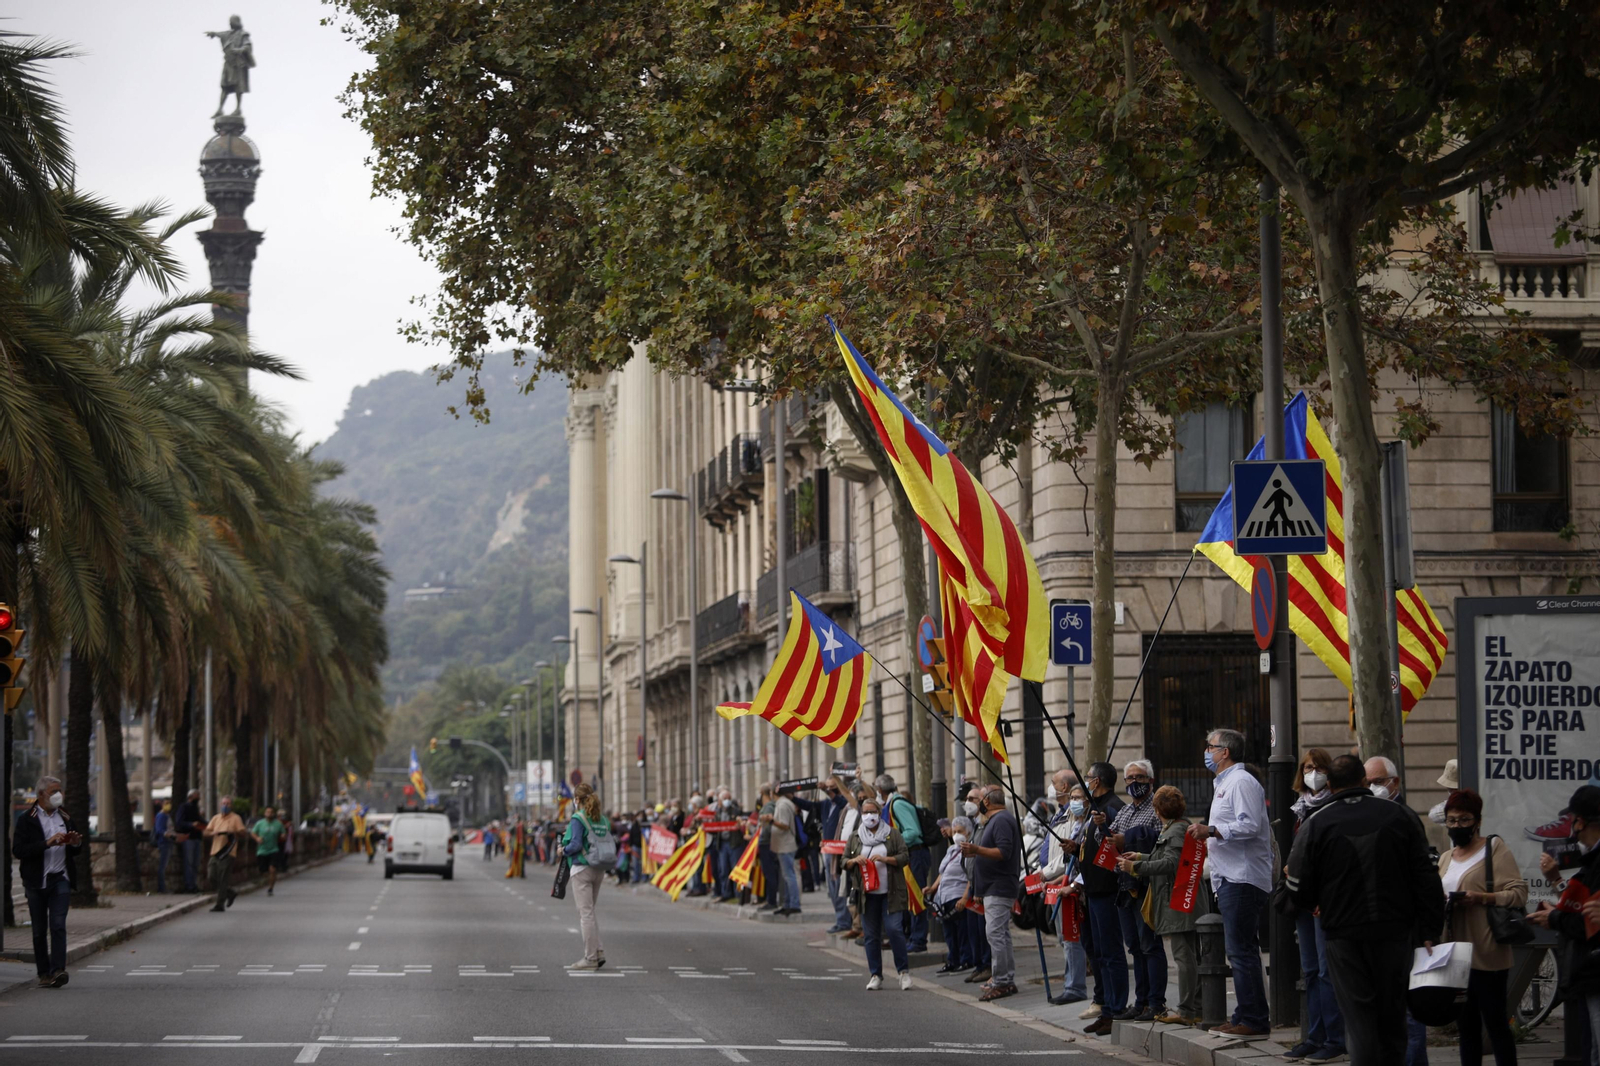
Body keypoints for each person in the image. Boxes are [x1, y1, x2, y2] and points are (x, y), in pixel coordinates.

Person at [1287, 754, 1444, 1066]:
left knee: (1358, 1019)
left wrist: (1319, 903)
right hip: (1395, 933)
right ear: (1363, 781)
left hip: (1343, 936)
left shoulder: (1317, 823)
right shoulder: (1400, 815)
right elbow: (1427, 877)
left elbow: (1297, 886)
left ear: (1329, 786)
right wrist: (1429, 929)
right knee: (1393, 1013)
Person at [1188, 729, 1273, 1037]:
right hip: (1230, 876)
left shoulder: (1241, 782)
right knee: (1241, 950)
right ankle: (1245, 1014)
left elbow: (1249, 824)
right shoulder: (1226, 783)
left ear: (1224, 752)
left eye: (1209, 747)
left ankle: (1253, 1020)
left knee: (1241, 951)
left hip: (1243, 877)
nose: (1206, 752)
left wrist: (1211, 830)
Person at [1436, 788, 1525, 1066]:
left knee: (1496, 1022)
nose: (1457, 826)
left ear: (1477, 821)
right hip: (1455, 952)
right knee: (1466, 1025)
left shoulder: (1494, 848)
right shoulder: (1446, 858)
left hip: (1487, 950)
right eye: (1451, 820)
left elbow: (1518, 892)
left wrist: (1481, 898)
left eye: (1463, 820)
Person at [1365, 753, 1434, 1066]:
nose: (1372, 787)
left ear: (1394, 782)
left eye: (1378, 782)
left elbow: (1424, 880)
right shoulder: (1371, 816)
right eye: (1366, 783)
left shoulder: (1404, 818)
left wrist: (1427, 931)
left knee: (1408, 1008)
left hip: (1404, 928)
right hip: (1377, 927)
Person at [1120, 784, 1208, 1025]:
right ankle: (1195, 1008)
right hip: (1179, 899)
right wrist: (1140, 857)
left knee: (1184, 957)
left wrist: (1135, 868)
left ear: (1158, 809)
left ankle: (1188, 1010)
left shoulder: (1175, 831)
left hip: (1178, 900)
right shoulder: (1175, 828)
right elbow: (1167, 858)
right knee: (1188, 955)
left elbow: (1171, 864)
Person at [1530, 785, 1598, 1066]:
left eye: (1572, 822)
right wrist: (1556, 880)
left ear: (1580, 821)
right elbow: (1580, 906)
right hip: (1589, 974)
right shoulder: (1591, 863)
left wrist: (1555, 918)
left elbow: (1586, 922)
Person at [1286, 748, 1346, 1064]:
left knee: (1325, 971)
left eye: (1319, 767)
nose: (1313, 772)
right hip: (1304, 902)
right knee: (1310, 971)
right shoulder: (1300, 809)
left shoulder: (1335, 807)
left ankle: (1336, 1039)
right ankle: (1315, 1036)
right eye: (1308, 767)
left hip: (1324, 903)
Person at [1106, 759, 1167, 1021]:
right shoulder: (1125, 811)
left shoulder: (1157, 808)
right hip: (1124, 884)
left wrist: (1127, 839)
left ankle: (1156, 1002)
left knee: (1150, 945)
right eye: (1129, 778)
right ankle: (1141, 1001)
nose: (1133, 783)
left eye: (1139, 778)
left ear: (1150, 781)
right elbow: (1112, 837)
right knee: (1134, 946)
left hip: (1146, 886)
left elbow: (1159, 842)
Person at [11, 776, 84, 988]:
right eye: (54, 791)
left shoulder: (65, 816)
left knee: (58, 924)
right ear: (41, 794)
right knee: (39, 930)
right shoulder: (27, 818)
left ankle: (58, 970)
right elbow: (19, 850)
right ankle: (44, 973)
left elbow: (76, 849)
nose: (59, 794)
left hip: (60, 878)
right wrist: (47, 843)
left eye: (60, 790)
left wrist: (75, 843)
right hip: (36, 881)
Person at [959, 784, 1021, 1002]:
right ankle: (1005, 978)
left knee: (995, 934)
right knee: (1000, 934)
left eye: (979, 800)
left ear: (986, 802)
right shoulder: (996, 821)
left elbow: (1003, 852)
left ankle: (1002, 981)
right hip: (993, 886)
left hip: (1000, 886)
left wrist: (976, 850)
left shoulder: (1002, 820)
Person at [844, 798, 913, 991]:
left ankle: (903, 972)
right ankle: (875, 974)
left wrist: (886, 859)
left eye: (872, 812)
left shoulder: (892, 834)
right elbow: (844, 860)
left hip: (891, 893)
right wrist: (853, 861)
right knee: (871, 936)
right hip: (867, 895)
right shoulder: (856, 837)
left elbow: (905, 857)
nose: (868, 816)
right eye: (865, 812)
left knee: (894, 930)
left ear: (879, 812)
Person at [1080, 761, 1128, 1034]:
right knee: (1099, 953)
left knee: (1111, 953)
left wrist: (1106, 825)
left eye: (1088, 778)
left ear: (1096, 781)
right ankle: (1107, 1008)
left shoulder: (1112, 808)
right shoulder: (1093, 809)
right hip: (1093, 890)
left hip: (1108, 891)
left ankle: (1116, 1009)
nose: (1087, 781)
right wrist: (1076, 849)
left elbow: (1118, 844)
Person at [1039, 772, 1090, 1006]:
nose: (1074, 801)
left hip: (1067, 883)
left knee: (1071, 938)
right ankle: (1072, 981)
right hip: (1056, 884)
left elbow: (1067, 856)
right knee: (1063, 937)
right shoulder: (1062, 815)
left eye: (1078, 797)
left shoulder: (1075, 818)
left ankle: (1075, 986)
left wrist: (1049, 875)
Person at [877, 774, 930, 952]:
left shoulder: (898, 804)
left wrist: (892, 841)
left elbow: (912, 832)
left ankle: (919, 939)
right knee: (906, 899)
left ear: (880, 790)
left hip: (914, 855)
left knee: (916, 897)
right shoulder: (891, 804)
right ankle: (909, 936)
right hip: (906, 857)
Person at [561, 782, 611, 970]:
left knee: (585, 914)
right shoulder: (603, 819)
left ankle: (590, 958)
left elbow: (574, 845)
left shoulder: (578, 818)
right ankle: (598, 951)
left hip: (582, 867)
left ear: (577, 800)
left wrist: (562, 850)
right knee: (590, 911)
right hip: (600, 867)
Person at [796, 778, 850, 929]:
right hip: (827, 850)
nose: (831, 792)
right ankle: (840, 920)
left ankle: (844, 921)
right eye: (829, 788)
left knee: (839, 886)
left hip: (839, 851)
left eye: (834, 788)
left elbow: (842, 802)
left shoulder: (845, 803)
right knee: (832, 888)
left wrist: (827, 790)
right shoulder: (826, 804)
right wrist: (791, 797)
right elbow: (809, 806)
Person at [930, 814, 975, 975]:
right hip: (944, 896)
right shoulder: (952, 850)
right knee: (949, 931)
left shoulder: (970, 849)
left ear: (968, 832)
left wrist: (965, 897)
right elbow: (943, 872)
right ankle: (953, 960)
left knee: (962, 931)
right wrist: (932, 888)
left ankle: (966, 959)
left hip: (958, 893)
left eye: (960, 831)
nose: (956, 834)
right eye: (954, 831)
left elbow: (971, 875)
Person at [202, 796, 248, 913]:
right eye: (223, 803)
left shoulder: (236, 818)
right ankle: (229, 892)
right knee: (211, 876)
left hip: (228, 852)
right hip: (215, 852)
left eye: (227, 804)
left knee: (223, 879)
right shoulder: (216, 818)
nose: (225, 806)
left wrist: (233, 832)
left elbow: (243, 832)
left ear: (231, 806)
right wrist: (213, 832)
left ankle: (219, 904)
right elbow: (205, 832)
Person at [768, 783, 802, 916]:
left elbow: (784, 825)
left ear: (773, 793)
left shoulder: (782, 805)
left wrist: (771, 820)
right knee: (786, 876)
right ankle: (787, 903)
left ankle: (793, 904)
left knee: (789, 875)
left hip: (785, 844)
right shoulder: (784, 803)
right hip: (784, 844)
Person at [251, 806, 288, 897]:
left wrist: (283, 836)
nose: (269, 814)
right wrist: (257, 838)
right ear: (264, 813)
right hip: (262, 850)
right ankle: (268, 880)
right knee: (263, 871)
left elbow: (283, 833)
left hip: (274, 849)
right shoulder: (260, 824)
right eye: (267, 812)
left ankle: (270, 888)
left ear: (273, 814)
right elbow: (253, 833)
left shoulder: (278, 824)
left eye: (271, 812)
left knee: (273, 869)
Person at [175, 788, 206, 893]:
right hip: (188, 838)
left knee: (195, 863)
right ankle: (189, 886)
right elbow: (179, 822)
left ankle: (193, 884)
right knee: (189, 862)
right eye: (197, 796)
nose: (198, 798)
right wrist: (191, 825)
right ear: (191, 797)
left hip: (197, 838)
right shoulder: (184, 807)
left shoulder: (195, 808)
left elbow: (200, 820)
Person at [153, 799, 175, 894]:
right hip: (164, 842)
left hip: (168, 842)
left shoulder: (167, 815)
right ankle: (161, 888)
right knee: (162, 866)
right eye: (166, 804)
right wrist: (168, 834)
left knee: (164, 866)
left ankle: (163, 887)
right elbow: (159, 830)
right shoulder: (161, 816)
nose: (168, 806)